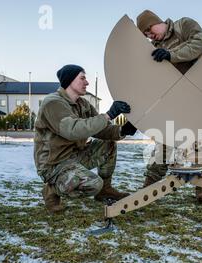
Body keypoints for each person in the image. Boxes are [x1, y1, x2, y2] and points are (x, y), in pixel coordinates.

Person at [34, 64, 138, 214]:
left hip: (75, 156)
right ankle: (52, 189)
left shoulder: (83, 104)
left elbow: (99, 129)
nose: (87, 82)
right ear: (69, 81)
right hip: (54, 164)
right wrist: (108, 115)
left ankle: (105, 190)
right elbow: (72, 130)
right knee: (94, 184)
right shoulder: (53, 103)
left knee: (108, 145)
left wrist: (122, 130)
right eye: (82, 78)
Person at [137, 10, 202, 203]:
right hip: (171, 100)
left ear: (156, 22)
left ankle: (201, 188)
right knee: (164, 143)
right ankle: (149, 186)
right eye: (145, 35)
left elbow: (199, 43)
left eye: (149, 29)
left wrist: (171, 55)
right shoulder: (152, 50)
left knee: (201, 144)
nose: (149, 35)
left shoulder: (183, 25)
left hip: (197, 95)